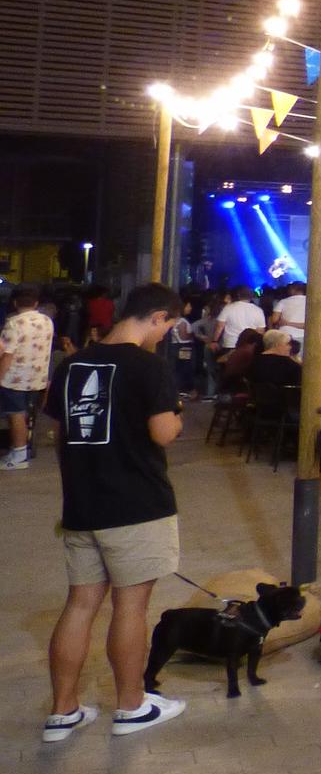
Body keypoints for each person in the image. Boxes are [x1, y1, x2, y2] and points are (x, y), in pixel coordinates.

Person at [43, 283, 186, 742]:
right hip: (137, 504)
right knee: (130, 607)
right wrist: (177, 414)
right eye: (166, 327)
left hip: (82, 505)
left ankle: (63, 711)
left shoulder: (72, 364)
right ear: (158, 317)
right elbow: (163, 434)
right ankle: (131, 706)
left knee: (81, 604)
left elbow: (59, 433)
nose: (163, 337)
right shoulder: (148, 367)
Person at [1, 284, 56, 470]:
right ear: (36, 303)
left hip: (14, 379)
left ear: (15, 302)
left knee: (15, 416)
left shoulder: (14, 323)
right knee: (28, 417)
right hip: (38, 378)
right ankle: (24, 449)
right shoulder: (47, 321)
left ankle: (19, 455)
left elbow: (7, 354)